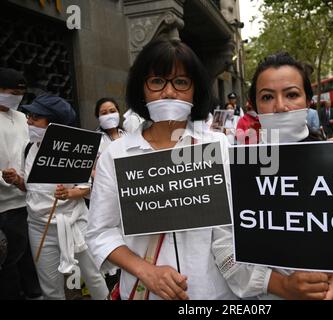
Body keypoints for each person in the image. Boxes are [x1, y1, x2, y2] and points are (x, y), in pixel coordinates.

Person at [85, 38, 237, 300]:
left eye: (181, 82)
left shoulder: (219, 146)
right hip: (146, 292)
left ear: (195, 89)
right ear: (141, 89)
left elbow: (236, 225)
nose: (169, 92)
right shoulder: (116, 154)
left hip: (213, 292)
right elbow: (100, 232)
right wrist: (146, 271)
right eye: (157, 82)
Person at [218, 52, 333, 300]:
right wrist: (280, 285)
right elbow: (223, 248)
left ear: (308, 101)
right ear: (254, 107)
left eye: (291, 94)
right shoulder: (237, 169)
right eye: (267, 97)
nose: (280, 107)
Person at [2, 94, 109, 300]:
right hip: (38, 227)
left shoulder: (74, 148)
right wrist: (16, 180)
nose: (29, 121)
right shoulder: (29, 148)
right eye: (29, 116)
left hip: (75, 224)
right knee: (50, 287)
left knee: (93, 277)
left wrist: (69, 193)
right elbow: (30, 188)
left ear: (52, 124)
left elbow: (86, 187)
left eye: (35, 117)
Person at [0, 67, 41, 300]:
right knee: (9, 260)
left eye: (19, 93)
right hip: (4, 205)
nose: (15, 97)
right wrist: (6, 178)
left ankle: (35, 293)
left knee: (30, 256)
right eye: (10, 91)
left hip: (27, 198)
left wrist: (24, 179)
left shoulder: (22, 117)